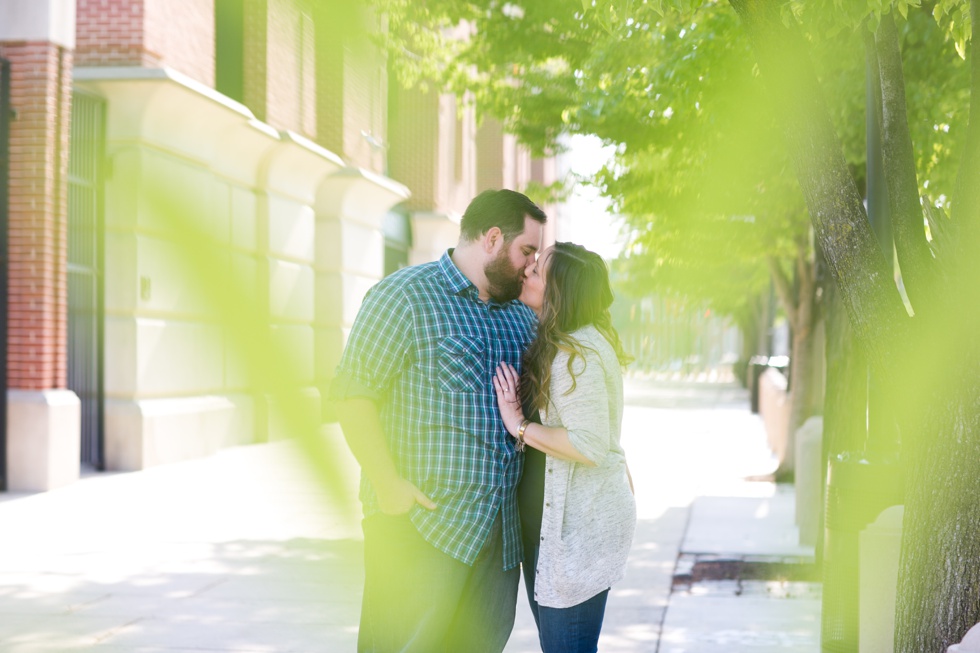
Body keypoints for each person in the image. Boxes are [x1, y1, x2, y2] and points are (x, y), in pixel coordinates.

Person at [330, 189, 547, 652]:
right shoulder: (404, 296)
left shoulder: (522, 319)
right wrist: (387, 484)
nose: (531, 266)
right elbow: (351, 396)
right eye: (526, 251)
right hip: (420, 529)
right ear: (492, 238)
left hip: (499, 542)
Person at [493, 241, 636, 653]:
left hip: (576, 539)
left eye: (538, 270)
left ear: (560, 293)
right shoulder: (564, 342)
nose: (527, 270)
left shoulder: (579, 353)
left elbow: (588, 443)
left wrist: (518, 425)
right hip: (555, 537)